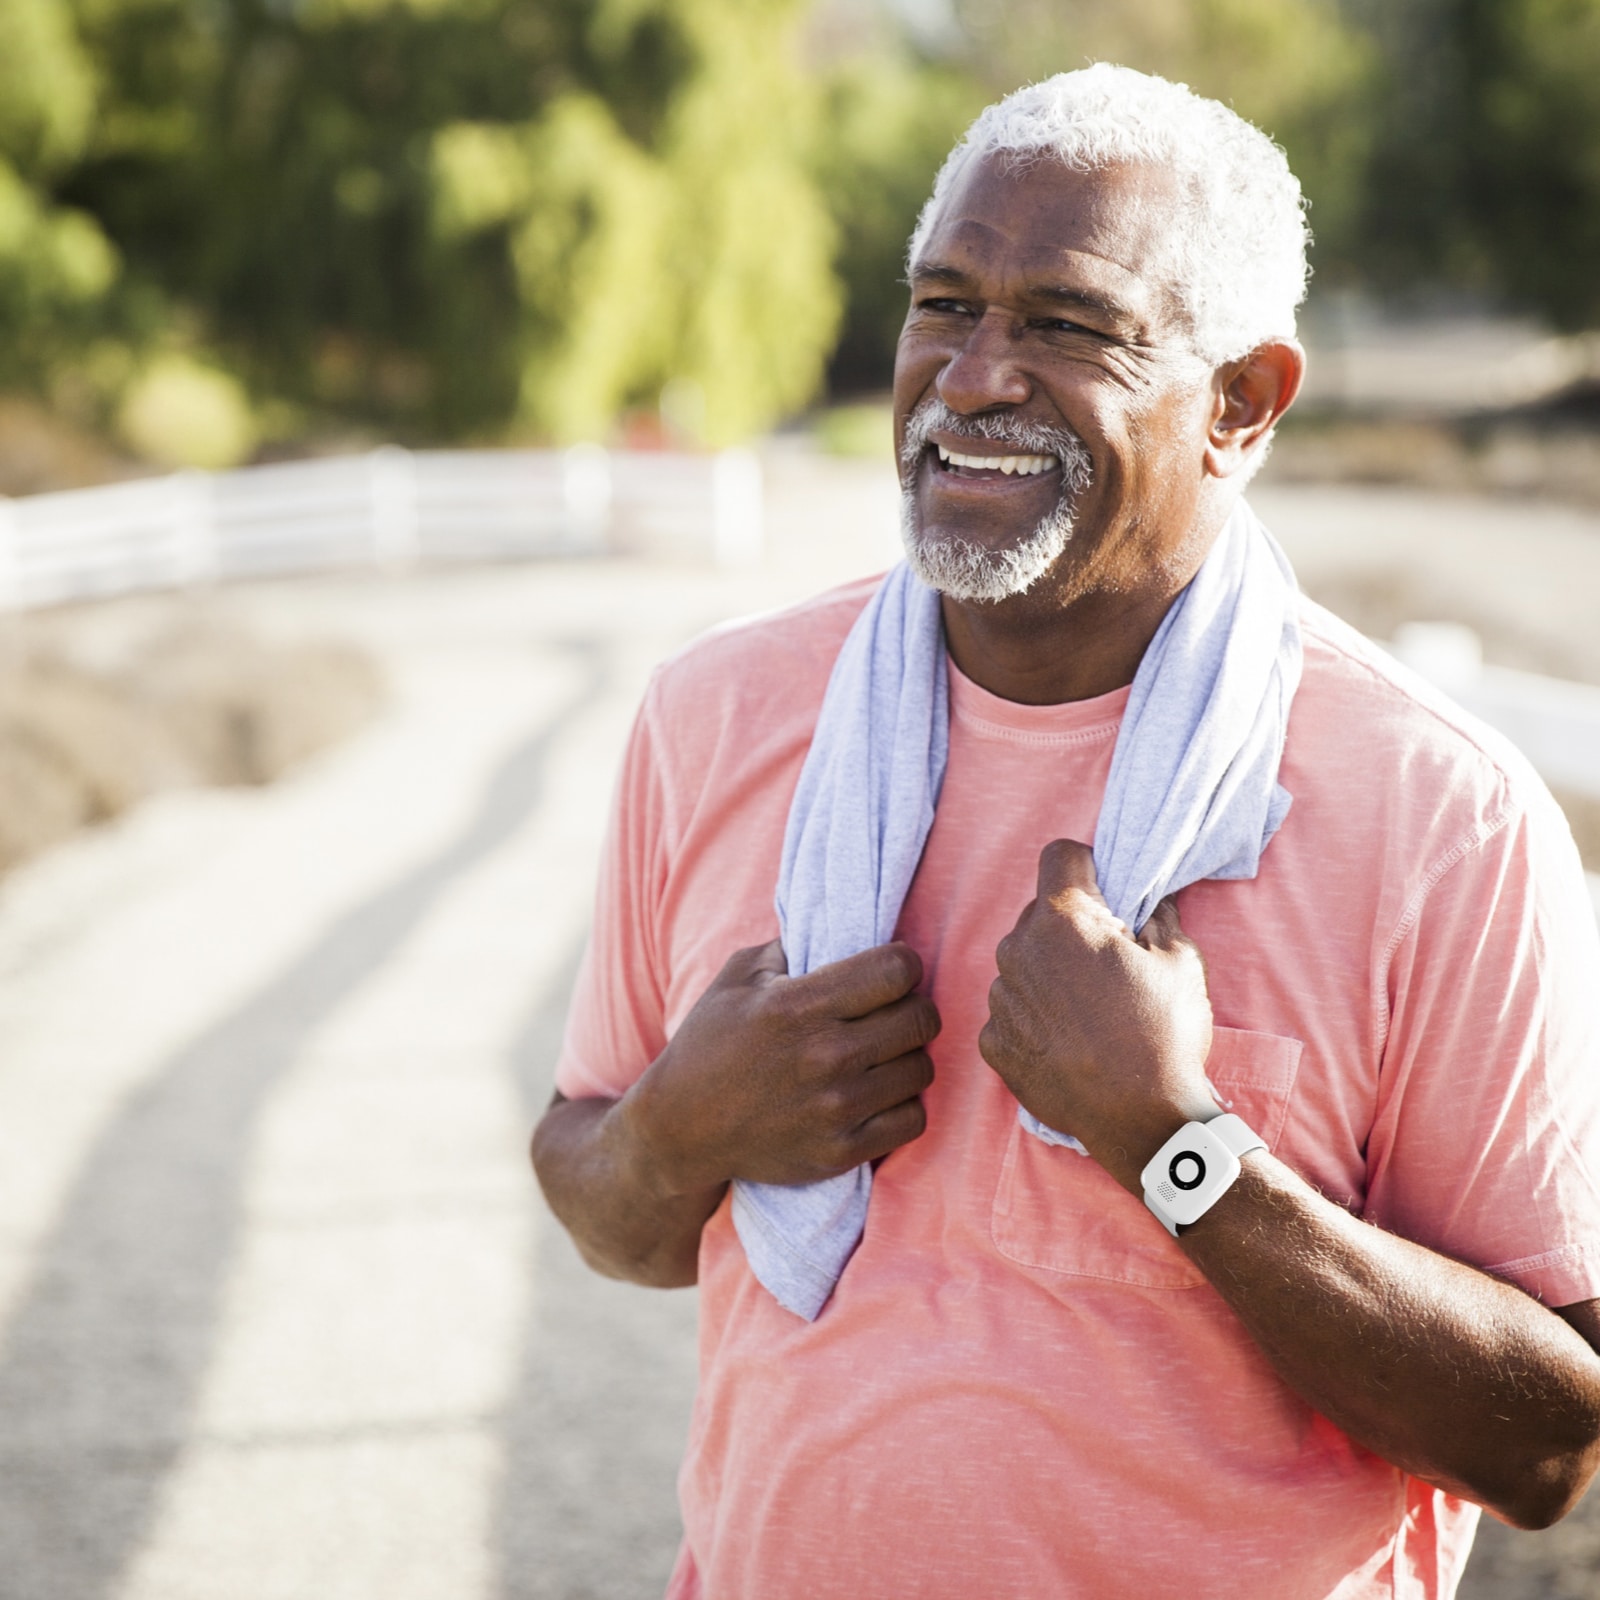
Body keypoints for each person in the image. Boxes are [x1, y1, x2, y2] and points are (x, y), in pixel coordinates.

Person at [531, 64, 1600, 1598]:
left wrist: (1177, 1147)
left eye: (1067, 325)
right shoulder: (716, 716)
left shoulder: (1442, 814)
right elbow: (608, 1207)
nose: (971, 378)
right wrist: (682, 1127)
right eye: (944, 304)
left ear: (1241, 404)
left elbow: (1547, 1451)